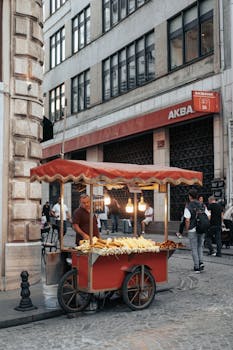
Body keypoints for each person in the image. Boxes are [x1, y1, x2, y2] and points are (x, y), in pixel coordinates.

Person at [184, 189, 210, 273]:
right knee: (200, 247)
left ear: (190, 196)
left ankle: (196, 267)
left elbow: (187, 220)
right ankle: (201, 262)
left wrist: (187, 229)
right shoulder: (202, 205)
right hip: (201, 229)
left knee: (194, 248)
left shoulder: (188, 206)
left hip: (192, 229)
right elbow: (208, 216)